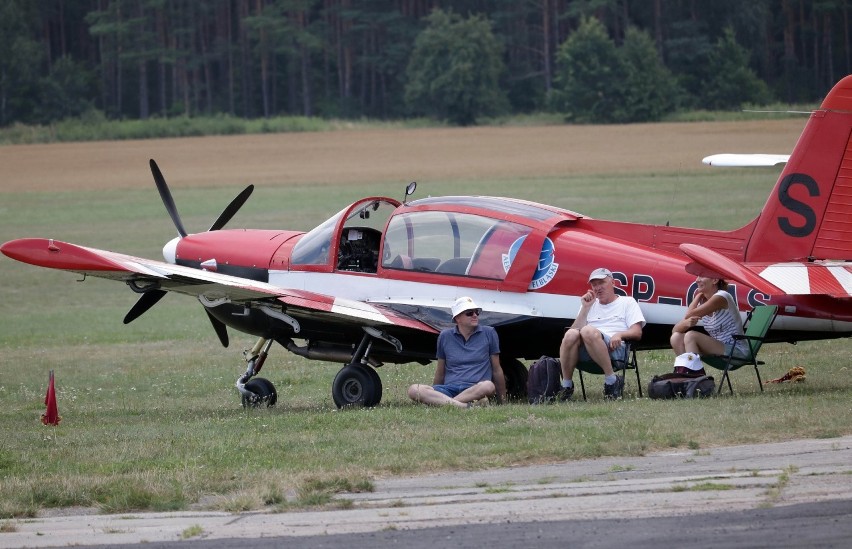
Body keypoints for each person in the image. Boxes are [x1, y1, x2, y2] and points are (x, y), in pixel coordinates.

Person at [558, 268, 645, 400]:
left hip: (615, 350)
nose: (598, 287)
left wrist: (620, 335)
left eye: (602, 283)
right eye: (594, 284)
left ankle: (611, 380)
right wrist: (585, 308)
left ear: (613, 283)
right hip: (588, 350)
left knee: (587, 330)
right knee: (570, 334)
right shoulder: (589, 304)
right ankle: (566, 386)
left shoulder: (627, 302)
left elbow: (637, 332)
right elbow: (574, 331)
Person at [408, 296, 506, 408]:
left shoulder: (489, 333)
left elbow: (497, 369)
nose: (475, 315)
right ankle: (465, 406)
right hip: (449, 388)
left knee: (488, 386)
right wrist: (436, 391)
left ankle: (443, 404)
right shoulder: (445, 336)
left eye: (476, 312)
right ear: (457, 318)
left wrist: (502, 401)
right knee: (414, 389)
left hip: (475, 388)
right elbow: (440, 371)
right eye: (469, 313)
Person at [670, 275, 747, 373]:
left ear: (715, 279)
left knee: (691, 336)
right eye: (697, 277)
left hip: (737, 352)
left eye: (702, 276)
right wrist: (687, 322)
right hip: (718, 350)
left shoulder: (722, 297)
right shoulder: (703, 303)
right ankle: (686, 374)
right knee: (676, 338)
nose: (697, 280)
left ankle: (694, 377)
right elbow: (675, 330)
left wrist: (697, 296)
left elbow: (689, 315)